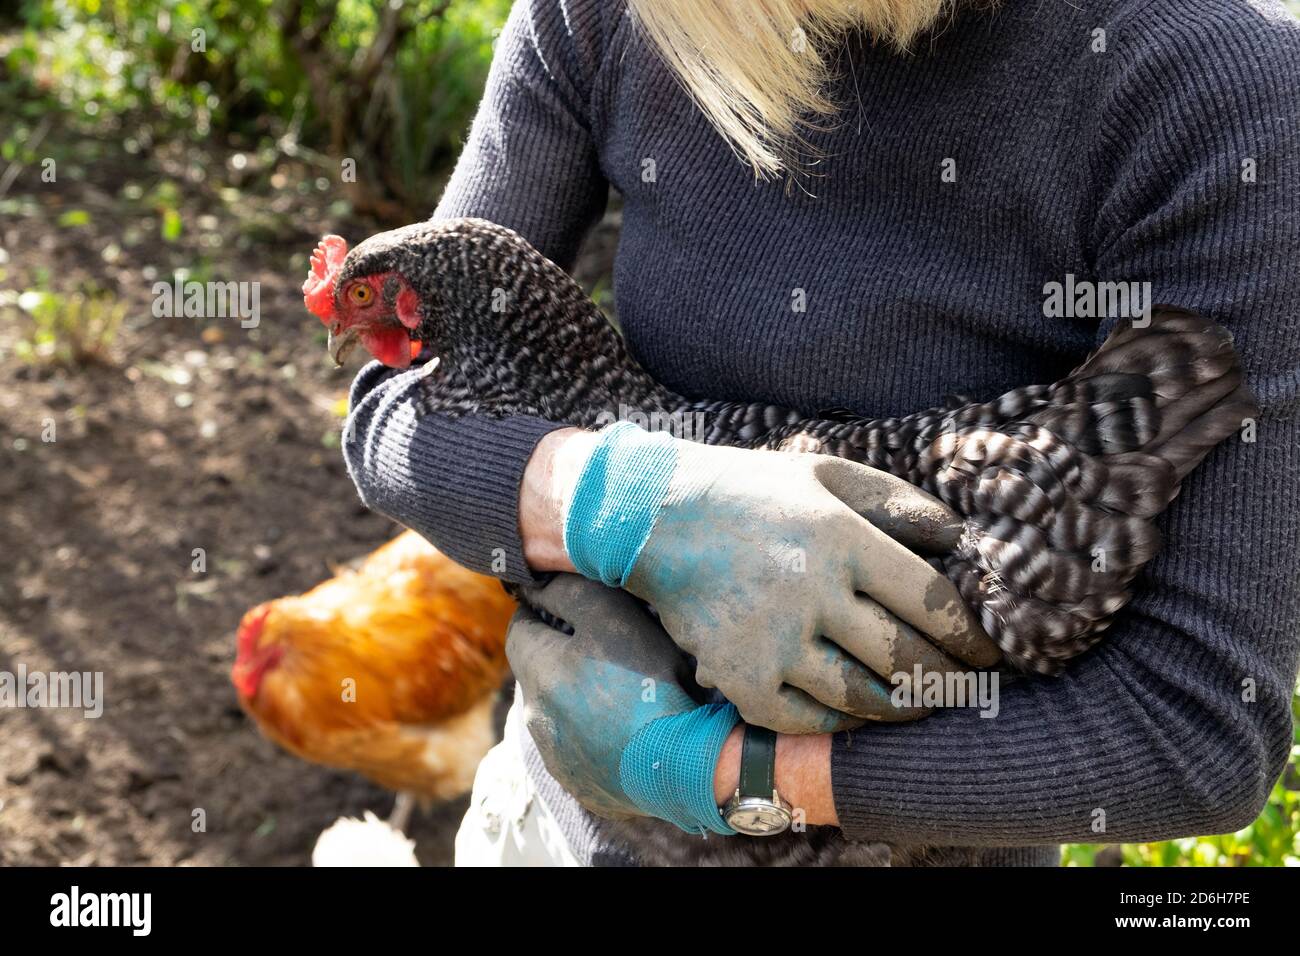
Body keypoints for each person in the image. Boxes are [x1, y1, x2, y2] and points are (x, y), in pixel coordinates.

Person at [344, 0, 1300, 865]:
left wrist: (728, 775)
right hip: (561, 832)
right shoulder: (603, 12)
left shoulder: (1216, 84)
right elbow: (400, 408)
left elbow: (1192, 731)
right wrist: (605, 498)